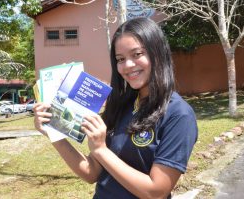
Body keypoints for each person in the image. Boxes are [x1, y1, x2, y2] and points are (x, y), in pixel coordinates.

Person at [33, 17, 198, 199]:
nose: (127, 65)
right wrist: (54, 133)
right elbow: (91, 173)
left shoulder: (179, 114)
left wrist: (101, 150)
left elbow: (156, 192)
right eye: (120, 59)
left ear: (157, 53)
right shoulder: (121, 105)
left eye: (137, 54)